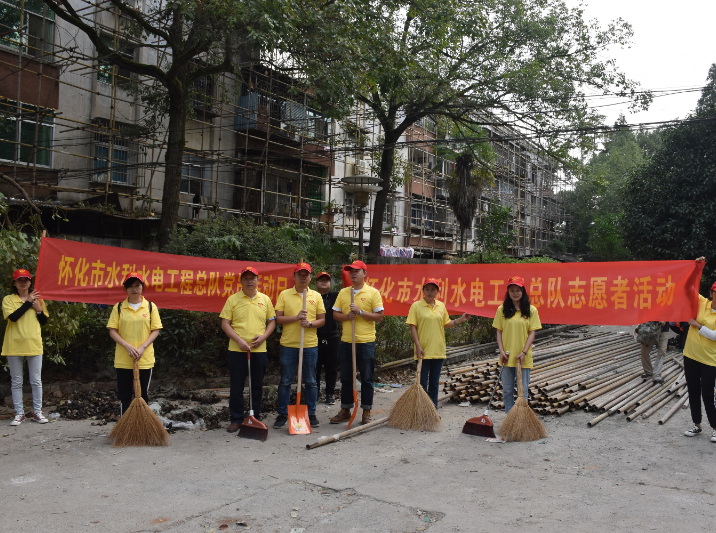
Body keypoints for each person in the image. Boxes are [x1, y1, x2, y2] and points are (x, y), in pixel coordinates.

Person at [220, 266, 276, 433]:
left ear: (258, 281)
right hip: (237, 350)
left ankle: (254, 416)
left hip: (259, 350)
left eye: (253, 278)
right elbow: (225, 324)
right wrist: (239, 340)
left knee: (256, 385)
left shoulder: (265, 299)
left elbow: (272, 322)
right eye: (246, 278)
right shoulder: (233, 299)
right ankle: (236, 419)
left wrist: (263, 337)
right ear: (241, 281)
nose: (250, 281)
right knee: (236, 385)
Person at [330, 260, 384, 425]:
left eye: (356, 271)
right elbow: (335, 314)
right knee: (346, 378)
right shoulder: (344, 293)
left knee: (367, 378)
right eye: (351, 271)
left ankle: (366, 411)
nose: (353, 273)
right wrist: (347, 316)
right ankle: (346, 409)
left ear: (364, 273)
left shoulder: (373, 293)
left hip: (366, 342)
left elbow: (379, 316)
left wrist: (360, 312)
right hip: (347, 341)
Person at [274, 262, 326, 429]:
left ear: (310, 277)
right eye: (300, 274)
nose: (303, 277)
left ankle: (311, 413)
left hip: (309, 345)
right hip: (288, 344)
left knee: (310, 381)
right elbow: (278, 319)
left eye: (306, 275)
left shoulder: (316, 296)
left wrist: (309, 324)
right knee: (285, 381)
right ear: (294, 276)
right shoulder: (284, 295)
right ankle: (282, 413)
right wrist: (296, 318)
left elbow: (322, 320)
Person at [406, 278, 469, 408]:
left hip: (438, 350)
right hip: (423, 351)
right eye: (427, 289)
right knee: (422, 384)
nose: (430, 292)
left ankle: (432, 411)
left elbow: (446, 323)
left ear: (437, 292)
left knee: (434, 384)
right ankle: (421, 411)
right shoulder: (416, 306)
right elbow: (412, 326)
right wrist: (418, 346)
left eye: (433, 289)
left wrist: (460, 320)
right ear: (423, 291)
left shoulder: (441, 306)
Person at [107, 272, 163, 416]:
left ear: (142, 287)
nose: (134, 289)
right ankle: (125, 426)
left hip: (144, 359)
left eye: (137, 285)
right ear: (125, 288)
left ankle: (142, 425)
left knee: (143, 396)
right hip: (123, 359)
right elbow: (112, 331)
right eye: (130, 286)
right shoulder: (119, 307)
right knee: (124, 397)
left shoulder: (150, 307)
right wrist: (126, 345)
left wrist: (143, 347)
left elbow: (155, 330)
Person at [3, 269, 49, 426]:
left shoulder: (38, 299)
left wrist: (38, 309)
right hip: (14, 345)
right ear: (14, 283)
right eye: (20, 280)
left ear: (30, 282)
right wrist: (29, 302)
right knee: (16, 381)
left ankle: (38, 412)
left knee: (36, 381)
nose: (23, 283)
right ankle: (19, 413)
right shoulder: (9, 299)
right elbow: (13, 317)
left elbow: (44, 321)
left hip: (34, 344)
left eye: (26, 280)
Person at [492, 276, 541, 413]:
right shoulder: (502, 310)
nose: (515, 293)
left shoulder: (531, 310)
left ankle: (521, 418)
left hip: (523, 357)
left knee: (522, 392)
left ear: (523, 291)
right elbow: (499, 332)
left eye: (518, 290)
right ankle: (510, 417)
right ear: (508, 292)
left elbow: (532, 333)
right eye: (512, 290)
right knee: (507, 390)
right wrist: (501, 350)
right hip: (506, 357)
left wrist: (524, 352)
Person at [682, 257, 716, 442]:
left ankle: (715, 427)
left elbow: (715, 336)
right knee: (693, 390)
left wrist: (696, 325)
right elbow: (687, 287)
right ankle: (697, 425)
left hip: (710, 359)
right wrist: (695, 268)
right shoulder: (702, 302)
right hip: (691, 354)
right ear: (711, 292)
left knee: (708, 394)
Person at [315, 271, 340, 405]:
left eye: (326, 280)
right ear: (316, 283)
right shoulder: (311, 296)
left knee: (331, 368)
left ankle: (330, 394)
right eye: (321, 280)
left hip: (332, 337)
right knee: (315, 368)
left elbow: (349, 291)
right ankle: (315, 393)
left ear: (330, 283)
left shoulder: (336, 296)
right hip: (315, 337)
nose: (324, 282)